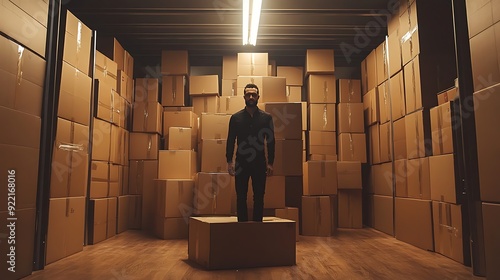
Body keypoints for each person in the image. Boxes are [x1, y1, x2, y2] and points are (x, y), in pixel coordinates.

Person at [226, 83, 275, 222]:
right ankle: (242, 228)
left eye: (254, 94)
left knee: (259, 196)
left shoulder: (266, 118)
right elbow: (231, 140)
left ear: (258, 96)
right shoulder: (236, 118)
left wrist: (271, 162)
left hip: (260, 163)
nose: (251, 97)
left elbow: (271, 141)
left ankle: (257, 227)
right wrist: (229, 161)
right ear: (244, 97)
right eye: (248, 94)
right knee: (241, 196)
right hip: (241, 162)